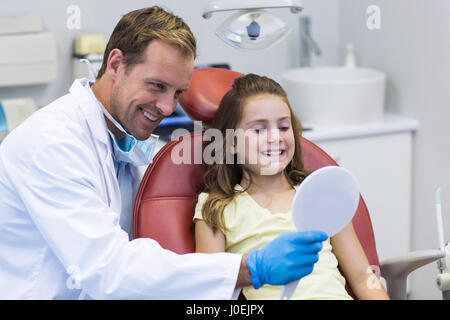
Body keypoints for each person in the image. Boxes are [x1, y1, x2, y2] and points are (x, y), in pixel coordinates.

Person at [0, 6, 326, 299]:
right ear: (116, 64)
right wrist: (250, 270)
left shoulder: (131, 143)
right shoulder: (52, 143)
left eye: (178, 92)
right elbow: (109, 271)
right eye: (157, 85)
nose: (168, 107)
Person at [194, 73, 390, 300]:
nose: (275, 137)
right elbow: (208, 292)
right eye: (259, 130)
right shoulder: (216, 208)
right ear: (232, 143)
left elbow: (364, 279)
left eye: (284, 127)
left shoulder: (320, 194)